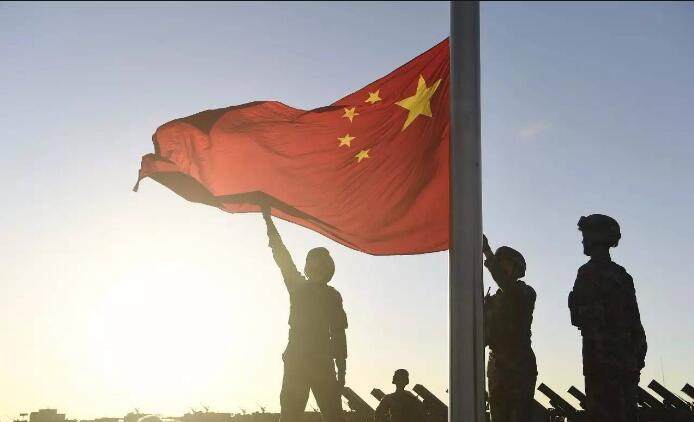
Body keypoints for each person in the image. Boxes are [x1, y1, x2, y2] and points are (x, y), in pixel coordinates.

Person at [262, 206, 348, 422]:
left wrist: (341, 371)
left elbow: (339, 334)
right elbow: (282, 255)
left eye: (320, 264)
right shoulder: (299, 287)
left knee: (332, 417)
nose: (316, 267)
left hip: (319, 361)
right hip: (299, 360)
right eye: (314, 263)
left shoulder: (331, 296)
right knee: (291, 416)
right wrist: (268, 221)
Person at [569, 214, 647, 422]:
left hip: (600, 364)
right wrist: (635, 360)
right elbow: (636, 325)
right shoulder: (623, 276)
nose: (583, 241)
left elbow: (580, 318)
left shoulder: (587, 273)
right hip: (626, 364)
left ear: (597, 237)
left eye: (586, 235)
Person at [483, 235, 537, 422]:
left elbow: (506, 285)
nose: (499, 267)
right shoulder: (492, 300)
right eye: (498, 264)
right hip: (496, 365)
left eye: (503, 264)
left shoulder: (525, 293)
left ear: (516, 269)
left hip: (518, 365)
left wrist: (487, 252)